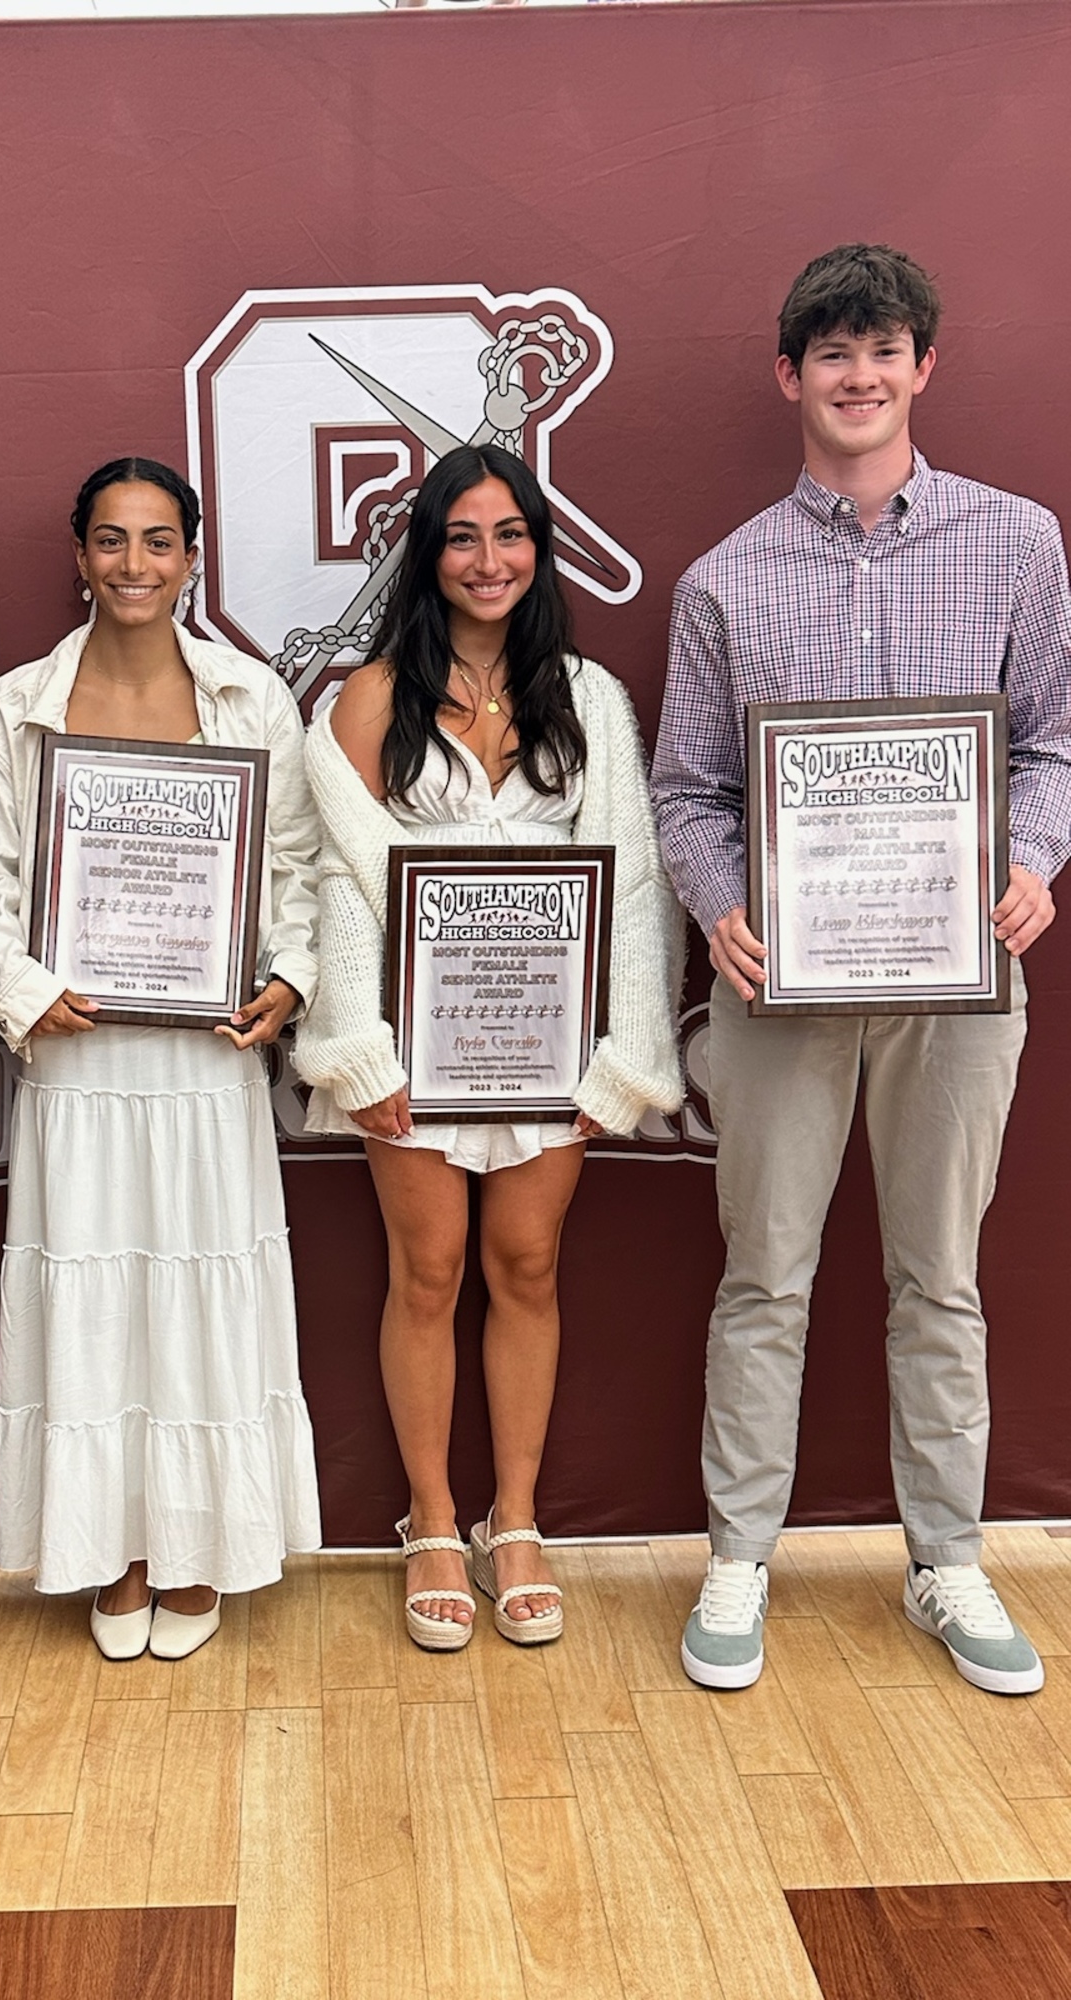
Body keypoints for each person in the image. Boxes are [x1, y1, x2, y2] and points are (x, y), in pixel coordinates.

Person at [652, 243, 1071, 1696]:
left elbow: (1055, 743)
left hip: (958, 985)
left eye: (884, 350)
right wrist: (720, 908)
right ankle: (739, 1557)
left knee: (937, 1278)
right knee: (763, 1276)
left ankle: (948, 1560)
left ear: (923, 368)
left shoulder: (1019, 542)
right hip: (782, 987)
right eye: (832, 353)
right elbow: (687, 793)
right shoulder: (724, 580)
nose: (859, 376)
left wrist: (1033, 864)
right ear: (792, 375)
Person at [295, 444, 683, 1650]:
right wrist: (358, 1050)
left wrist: (623, 1060)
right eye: (462, 535)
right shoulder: (365, 698)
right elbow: (343, 881)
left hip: (548, 1048)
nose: (488, 559)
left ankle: (513, 1517)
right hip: (416, 1049)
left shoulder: (592, 698)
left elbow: (636, 880)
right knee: (428, 1270)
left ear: (539, 546)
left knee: (525, 1263)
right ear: (427, 550)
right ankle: (428, 1517)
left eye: (510, 533)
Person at [0, 456, 322, 1661]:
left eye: (158, 541)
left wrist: (286, 977)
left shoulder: (251, 699)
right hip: (74, 1062)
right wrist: (22, 987)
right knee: (99, 1300)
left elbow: (294, 871)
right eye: (111, 541)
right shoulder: (14, 706)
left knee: (193, 1297)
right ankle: (110, 1550)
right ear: (79, 554)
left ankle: (197, 1546)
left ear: (192, 557)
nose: (134, 564)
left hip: (208, 1063)